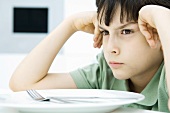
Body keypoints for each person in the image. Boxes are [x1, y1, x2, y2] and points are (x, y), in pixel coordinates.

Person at [9, 0, 170, 112]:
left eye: (126, 31)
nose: (110, 48)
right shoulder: (105, 72)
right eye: (105, 32)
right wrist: (70, 24)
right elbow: (24, 85)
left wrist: (163, 16)